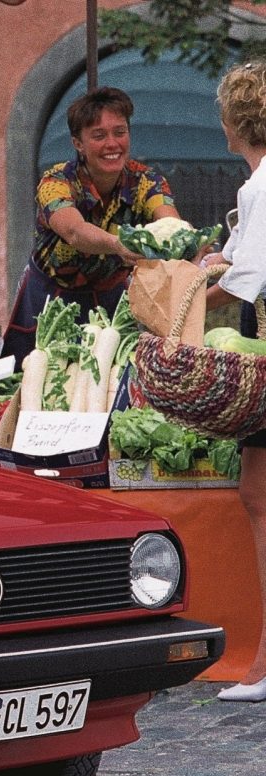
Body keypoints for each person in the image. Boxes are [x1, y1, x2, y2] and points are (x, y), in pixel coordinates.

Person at [1, 87, 181, 361]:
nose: (112, 144)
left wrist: (181, 240)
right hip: (49, 298)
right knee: (35, 375)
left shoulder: (147, 182)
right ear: (78, 143)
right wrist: (119, 246)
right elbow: (75, 231)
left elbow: (169, 220)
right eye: (99, 135)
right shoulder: (56, 182)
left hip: (112, 300)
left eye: (120, 132)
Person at [197, 62, 266, 701]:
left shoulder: (261, 185)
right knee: (255, 490)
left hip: (263, 345)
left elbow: (246, 279)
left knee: (260, 496)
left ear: (233, 122)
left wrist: (184, 292)